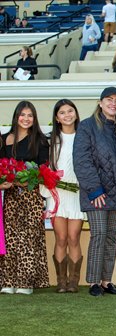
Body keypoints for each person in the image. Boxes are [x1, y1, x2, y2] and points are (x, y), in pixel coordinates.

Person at [73, 87, 116, 297]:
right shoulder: (88, 126)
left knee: (112, 237)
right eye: (109, 99)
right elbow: (82, 160)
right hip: (97, 193)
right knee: (99, 235)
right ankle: (93, 282)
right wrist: (94, 189)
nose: (113, 103)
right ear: (100, 102)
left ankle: (106, 281)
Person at [0, 101, 50, 295]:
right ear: (16, 116)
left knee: (29, 237)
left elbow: (44, 168)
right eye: (23, 115)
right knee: (10, 237)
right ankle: (8, 281)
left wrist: (29, 179)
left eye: (30, 115)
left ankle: (26, 281)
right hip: (10, 196)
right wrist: (4, 182)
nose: (26, 119)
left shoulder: (40, 140)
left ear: (34, 118)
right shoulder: (4, 139)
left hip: (32, 196)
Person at [47, 99, 85, 293]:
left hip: (77, 194)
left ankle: (73, 282)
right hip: (57, 195)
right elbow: (45, 169)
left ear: (76, 114)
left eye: (70, 111)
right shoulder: (50, 140)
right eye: (62, 112)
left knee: (73, 237)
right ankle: (61, 281)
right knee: (60, 237)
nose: (67, 115)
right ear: (57, 117)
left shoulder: (83, 137)